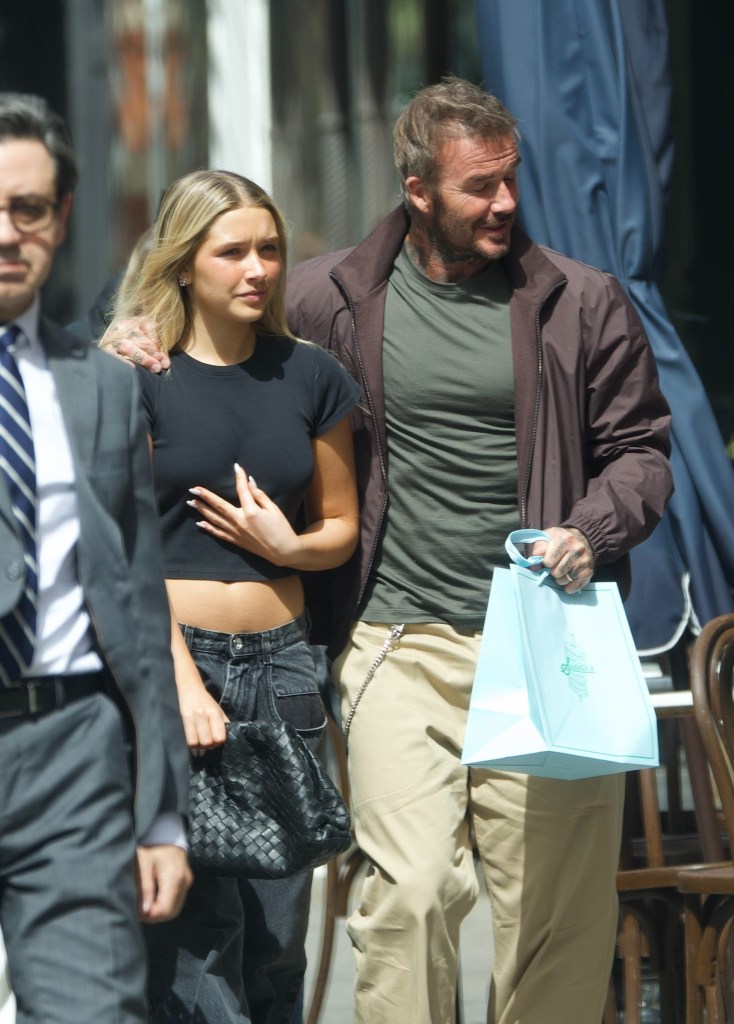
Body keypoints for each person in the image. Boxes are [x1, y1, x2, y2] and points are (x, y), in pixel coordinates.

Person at [97, 77, 674, 1024]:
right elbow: (210, 339)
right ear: (416, 191)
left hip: (546, 643)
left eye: (510, 181)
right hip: (397, 641)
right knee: (404, 900)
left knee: (553, 915)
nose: (505, 204)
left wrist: (592, 526)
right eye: (478, 187)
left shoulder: (582, 301)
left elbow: (642, 450)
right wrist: (123, 336)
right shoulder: (332, 296)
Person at [108, 169, 360, 1024]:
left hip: (286, 672)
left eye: (270, 249)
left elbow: (340, 529)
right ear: (184, 264)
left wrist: (288, 545)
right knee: (195, 940)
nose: (257, 268)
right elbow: (125, 548)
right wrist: (178, 678)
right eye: (232, 251)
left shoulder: (312, 377)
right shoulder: (138, 375)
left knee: (280, 940)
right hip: (179, 670)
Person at [0, 92, 191, 1024]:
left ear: (61, 218)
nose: (6, 233)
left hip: (70, 752)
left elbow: (140, 608)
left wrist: (160, 813)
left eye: (28, 209)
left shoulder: (104, 389)